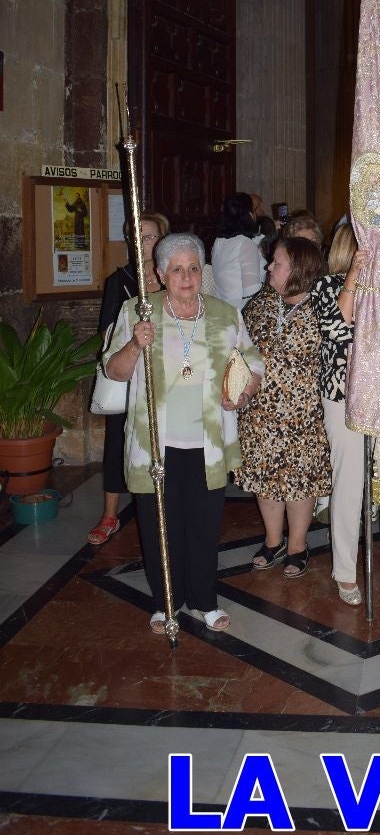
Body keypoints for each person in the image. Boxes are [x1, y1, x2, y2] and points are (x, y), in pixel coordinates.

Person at [102, 233, 263, 634]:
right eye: (177, 269)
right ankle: (165, 603)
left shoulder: (226, 314)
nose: (187, 277)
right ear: (159, 274)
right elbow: (113, 370)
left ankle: (205, 601)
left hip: (208, 444)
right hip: (155, 446)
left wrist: (242, 392)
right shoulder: (137, 312)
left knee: (204, 527)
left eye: (193, 268)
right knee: (160, 527)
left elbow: (255, 364)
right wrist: (135, 346)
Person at [312, 225, 380, 602]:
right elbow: (334, 327)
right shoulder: (328, 285)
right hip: (345, 396)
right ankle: (345, 570)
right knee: (349, 483)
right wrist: (354, 278)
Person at [235, 238, 330, 577]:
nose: (268, 268)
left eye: (276, 263)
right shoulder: (260, 303)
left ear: (299, 270)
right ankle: (273, 541)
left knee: (298, 480)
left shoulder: (323, 306)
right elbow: (239, 349)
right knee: (265, 478)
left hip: (303, 414)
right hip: (259, 411)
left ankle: (297, 545)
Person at [88, 211, 170, 547]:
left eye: (148, 236)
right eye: (136, 236)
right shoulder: (119, 280)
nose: (142, 243)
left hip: (168, 375)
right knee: (117, 440)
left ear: (163, 239)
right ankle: (110, 514)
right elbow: (107, 333)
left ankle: (163, 507)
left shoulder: (174, 275)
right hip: (130, 369)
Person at [211, 192, 264, 311]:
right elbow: (251, 293)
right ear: (250, 214)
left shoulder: (218, 242)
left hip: (222, 310)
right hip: (241, 315)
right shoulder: (244, 244)